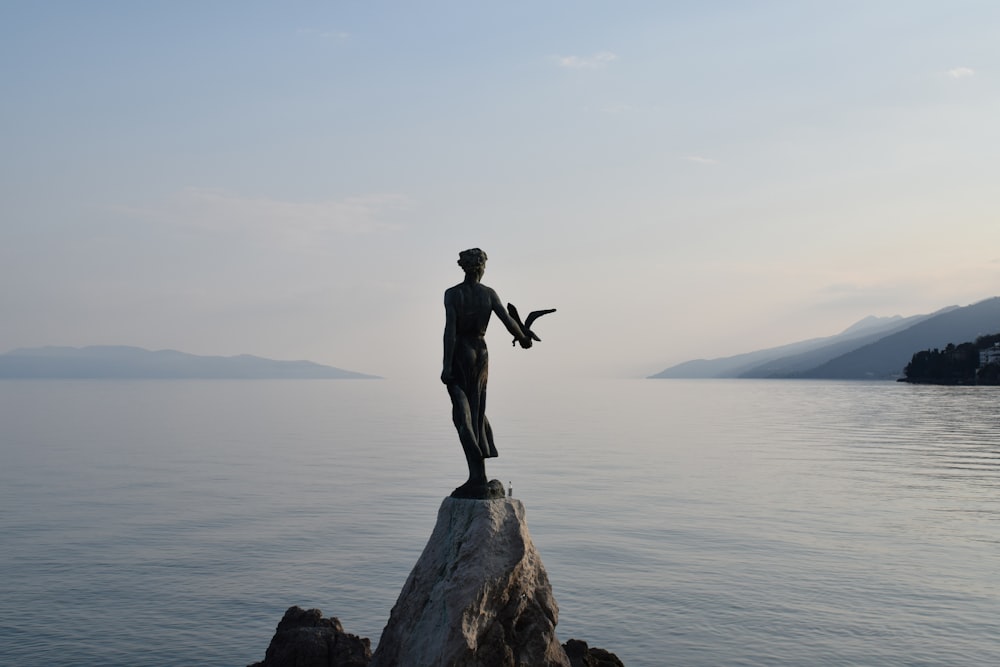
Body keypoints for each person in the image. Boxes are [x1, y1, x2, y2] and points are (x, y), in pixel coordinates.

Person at [441, 248, 532, 498]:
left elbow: (450, 330)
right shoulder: (488, 294)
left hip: (461, 351)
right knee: (476, 409)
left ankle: (477, 477)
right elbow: (507, 321)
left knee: (462, 415)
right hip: (481, 352)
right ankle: (478, 472)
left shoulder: (453, 294)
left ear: (464, 267)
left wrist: (447, 365)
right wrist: (523, 338)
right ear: (481, 267)